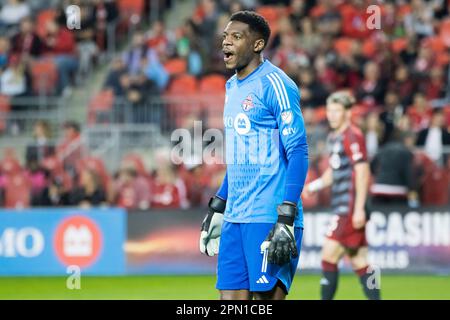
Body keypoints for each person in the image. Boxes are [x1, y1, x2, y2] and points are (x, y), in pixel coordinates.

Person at [199, 11, 309, 300]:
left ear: (258, 45)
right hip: (236, 217)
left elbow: (298, 150)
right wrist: (220, 204)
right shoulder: (232, 87)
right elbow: (240, 157)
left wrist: (286, 214)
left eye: (236, 36)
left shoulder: (276, 84)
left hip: (269, 216)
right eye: (225, 36)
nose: (226, 42)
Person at [303, 91, 380, 300]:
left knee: (328, 255)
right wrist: (315, 185)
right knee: (361, 261)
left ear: (348, 112)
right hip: (344, 205)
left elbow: (363, 172)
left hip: (349, 206)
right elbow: (333, 173)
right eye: (329, 110)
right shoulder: (334, 137)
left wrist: (358, 209)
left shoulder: (353, 136)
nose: (332, 114)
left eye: (337, 110)